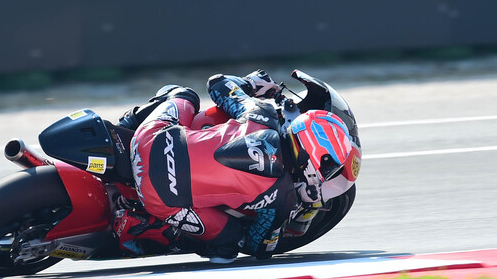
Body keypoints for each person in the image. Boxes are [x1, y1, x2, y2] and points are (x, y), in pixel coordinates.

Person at [113, 70, 358, 263]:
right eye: (327, 170)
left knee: (183, 94)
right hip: (160, 200)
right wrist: (304, 210)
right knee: (228, 247)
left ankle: (122, 128)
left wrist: (253, 84)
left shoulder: (260, 114)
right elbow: (259, 247)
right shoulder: (284, 198)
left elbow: (217, 83)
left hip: (146, 139)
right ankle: (141, 226)